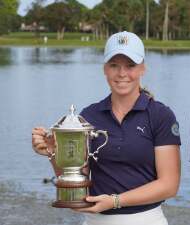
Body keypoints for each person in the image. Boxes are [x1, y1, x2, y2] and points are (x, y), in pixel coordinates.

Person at [31, 31, 181, 225]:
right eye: (114, 65)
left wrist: (115, 201)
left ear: (143, 68)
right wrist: (53, 153)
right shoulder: (89, 116)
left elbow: (169, 185)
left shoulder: (160, 115)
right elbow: (77, 179)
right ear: (104, 69)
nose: (121, 74)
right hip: (96, 220)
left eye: (130, 65)